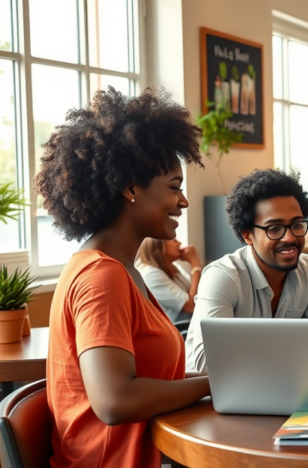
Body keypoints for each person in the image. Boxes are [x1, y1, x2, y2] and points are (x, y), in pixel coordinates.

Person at [36, 87, 210, 467]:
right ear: (132, 189)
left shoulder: (124, 269)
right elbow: (114, 401)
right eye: (174, 188)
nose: (183, 202)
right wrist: (217, 384)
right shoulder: (102, 276)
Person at [185, 169, 308, 373]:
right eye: (274, 229)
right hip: (209, 397)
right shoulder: (223, 276)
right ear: (248, 236)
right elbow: (207, 363)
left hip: (282, 387)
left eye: (296, 225)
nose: (290, 238)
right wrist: (297, 347)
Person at [136, 238, 203, 322]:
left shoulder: (173, 268)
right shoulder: (151, 275)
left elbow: (198, 295)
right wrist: (195, 263)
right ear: (160, 246)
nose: (180, 243)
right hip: (179, 328)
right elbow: (190, 306)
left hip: (189, 322)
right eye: (174, 240)